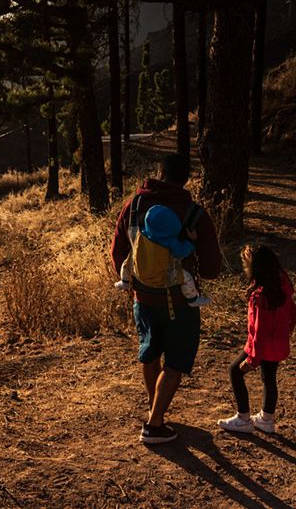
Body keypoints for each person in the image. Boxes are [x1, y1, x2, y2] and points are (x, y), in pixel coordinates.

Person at [110, 153, 222, 444]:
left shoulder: (133, 206)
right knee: (175, 362)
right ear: (186, 179)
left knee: (150, 353)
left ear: (158, 173)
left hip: (142, 300)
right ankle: (154, 425)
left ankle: (153, 408)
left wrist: (136, 280)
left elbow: (117, 252)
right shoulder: (194, 213)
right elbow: (211, 269)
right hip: (180, 305)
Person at [218, 245, 296, 435]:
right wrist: (286, 331)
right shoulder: (282, 283)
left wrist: (251, 360)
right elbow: (293, 311)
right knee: (269, 379)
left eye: (246, 264)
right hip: (278, 344)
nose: (244, 267)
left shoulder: (260, 297)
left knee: (235, 371)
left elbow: (259, 332)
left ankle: (243, 418)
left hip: (261, 346)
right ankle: (266, 420)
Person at [113, 204, 210, 307]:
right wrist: (191, 241)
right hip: (163, 277)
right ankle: (192, 299)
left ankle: (125, 282)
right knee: (186, 278)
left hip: (139, 272)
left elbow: (118, 252)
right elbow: (183, 251)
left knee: (127, 262)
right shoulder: (170, 242)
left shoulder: (143, 234)